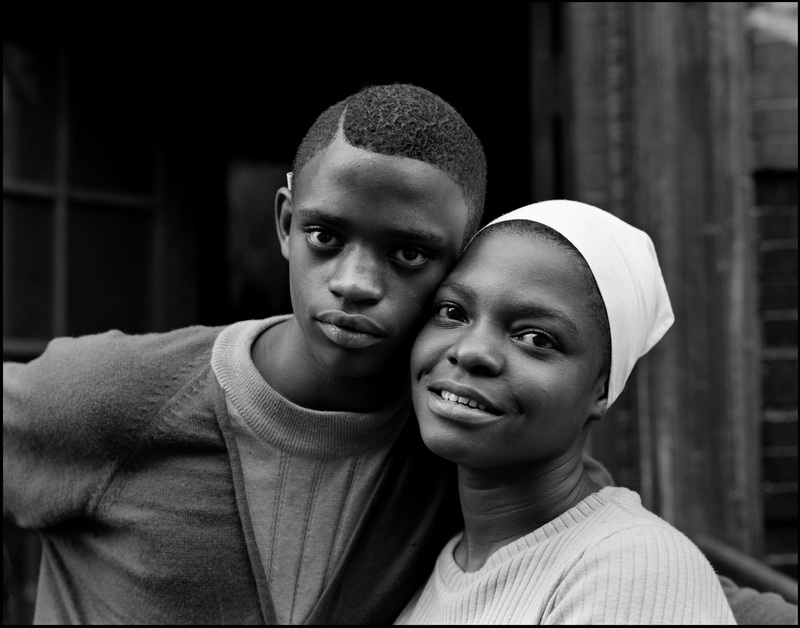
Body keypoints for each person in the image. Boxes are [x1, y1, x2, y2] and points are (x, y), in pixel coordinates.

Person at [2, 83, 485, 625]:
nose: (354, 283)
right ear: (285, 224)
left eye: (409, 253)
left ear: (462, 268)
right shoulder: (111, 395)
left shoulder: (460, 444)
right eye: (325, 236)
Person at [395, 200, 737, 624]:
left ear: (602, 389)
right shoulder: (438, 565)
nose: (470, 352)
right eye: (453, 312)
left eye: (536, 338)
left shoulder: (631, 567)